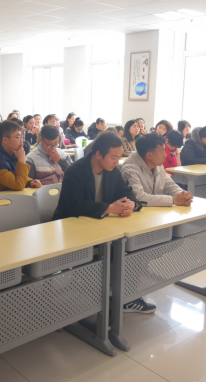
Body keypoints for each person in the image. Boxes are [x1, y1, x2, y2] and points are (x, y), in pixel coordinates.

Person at [52, 132, 154, 313]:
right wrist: (109, 208)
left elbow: (126, 192)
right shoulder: (75, 171)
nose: (117, 161)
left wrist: (132, 204)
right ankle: (107, 297)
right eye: (113, 157)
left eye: (119, 157)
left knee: (131, 246)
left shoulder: (112, 171)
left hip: (99, 227)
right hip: (71, 230)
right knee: (117, 249)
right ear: (98, 154)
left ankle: (124, 296)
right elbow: (75, 205)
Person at [122, 133, 192, 207]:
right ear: (149, 155)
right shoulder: (130, 169)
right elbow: (139, 197)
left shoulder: (156, 164)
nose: (165, 155)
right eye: (162, 152)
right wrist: (173, 200)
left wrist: (183, 195)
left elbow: (170, 185)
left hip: (154, 211)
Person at [0, 120, 41, 192]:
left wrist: (30, 182)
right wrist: (21, 161)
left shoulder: (9, 152)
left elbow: (15, 175)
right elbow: (18, 185)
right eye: (18, 137)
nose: (22, 141)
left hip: (4, 195)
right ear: (5, 140)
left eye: (21, 137)